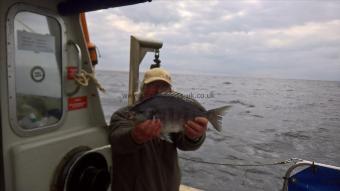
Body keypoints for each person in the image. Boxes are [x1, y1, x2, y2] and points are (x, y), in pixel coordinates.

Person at [108, 67, 208, 191]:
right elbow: (117, 140)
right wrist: (134, 136)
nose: (158, 90)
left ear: (170, 91)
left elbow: (185, 143)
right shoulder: (125, 114)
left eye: (163, 86)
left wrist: (195, 137)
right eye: (153, 85)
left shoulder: (173, 110)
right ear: (143, 89)